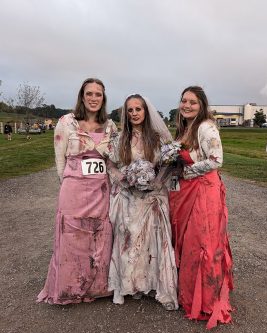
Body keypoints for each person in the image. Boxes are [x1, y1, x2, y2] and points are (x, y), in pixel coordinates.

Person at [37, 78, 118, 304]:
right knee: (72, 235)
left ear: (103, 98)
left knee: (99, 235)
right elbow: (59, 160)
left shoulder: (111, 126)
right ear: (82, 96)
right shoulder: (66, 122)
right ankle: (70, 287)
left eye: (98, 94)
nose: (93, 98)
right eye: (89, 94)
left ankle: (97, 287)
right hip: (73, 189)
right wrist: (69, 183)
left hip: (101, 190)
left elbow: (113, 161)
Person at [169, 86, 234, 329]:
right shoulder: (187, 128)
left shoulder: (206, 127)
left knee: (202, 242)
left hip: (204, 191)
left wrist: (188, 169)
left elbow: (217, 160)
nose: (186, 105)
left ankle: (205, 301)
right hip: (190, 189)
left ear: (202, 105)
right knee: (190, 242)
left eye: (192, 102)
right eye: (184, 101)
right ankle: (188, 294)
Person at [107, 94, 178, 311]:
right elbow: (110, 164)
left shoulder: (157, 138)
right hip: (128, 196)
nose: (135, 113)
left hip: (152, 198)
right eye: (130, 110)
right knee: (128, 239)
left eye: (138, 109)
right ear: (126, 114)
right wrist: (123, 178)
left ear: (145, 112)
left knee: (152, 241)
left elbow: (168, 164)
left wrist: (156, 182)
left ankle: (152, 284)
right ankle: (132, 285)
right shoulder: (120, 139)